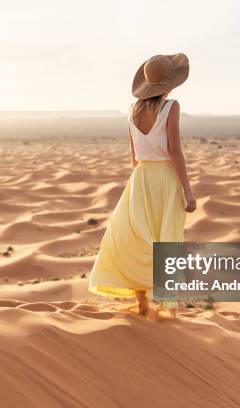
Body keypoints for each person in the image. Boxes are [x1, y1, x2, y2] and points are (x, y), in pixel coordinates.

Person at [89, 53, 197, 317]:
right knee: (166, 240)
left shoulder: (131, 111)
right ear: (168, 85)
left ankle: (142, 302)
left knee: (137, 237)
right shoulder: (171, 107)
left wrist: (139, 183)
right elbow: (175, 151)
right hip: (165, 179)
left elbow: (134, 157)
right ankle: (163, 304)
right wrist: (187, 189)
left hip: (140, 179)